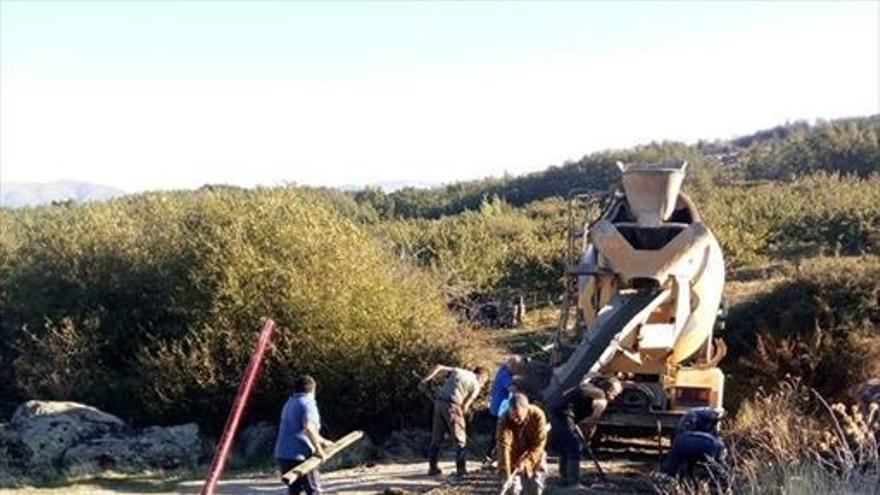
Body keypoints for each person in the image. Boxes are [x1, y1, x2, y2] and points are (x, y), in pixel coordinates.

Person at [548, 376, 622, 486]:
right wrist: (586, 439)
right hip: (563, 415)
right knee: (574, 446)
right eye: (615, 394)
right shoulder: (601, 398)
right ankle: (573, 483)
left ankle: (564, 479)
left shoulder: (588, 387)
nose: (614, 398)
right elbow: (591, 422)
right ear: (609, 390)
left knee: (566, 446)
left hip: (553, 412)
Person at [420, 364, 490, 477]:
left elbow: (438, 367)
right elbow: (465, 406)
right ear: (482, 377)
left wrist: (425, 380)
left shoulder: (458, 371)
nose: (482, 385)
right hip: (453, 405)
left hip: (439, 404)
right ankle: (461, 470)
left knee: (437, 437)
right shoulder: (476, 385)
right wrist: (463, 417)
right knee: (460, 439)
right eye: (484, 382)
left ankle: (433, 468)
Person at [274, 375, 334, 495]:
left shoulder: (290, 403)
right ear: (313, 389)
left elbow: (298, 429)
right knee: (313, 490)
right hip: (300, 456)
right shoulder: (308, 403)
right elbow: (309, 428)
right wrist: (319, 450)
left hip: (283, 454)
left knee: (294, 490)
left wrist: (323, 441)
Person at [496, 393, 550, 495]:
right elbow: (503, 446)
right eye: (513, 416)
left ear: (526, 409)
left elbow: (539, 445)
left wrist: (526, 462)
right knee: (512, 488)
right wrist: (506, 475)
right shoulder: (504, 418)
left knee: (535, 486)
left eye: (518, 417)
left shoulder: (538, 415)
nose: (515, 420)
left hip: (534, 451)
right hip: (514, 451)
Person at [661, 407, 727, 481]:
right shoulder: (712, 441)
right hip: (702, 442)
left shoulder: (680, 441)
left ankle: (669, 476)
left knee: (676, 463)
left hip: (689, 440)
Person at [486, 355, 525, 462]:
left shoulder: (503, 368)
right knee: (498, 433)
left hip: (497, 407)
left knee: (497, 433)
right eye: (518, 368)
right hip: (499, 409)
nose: (519, 371)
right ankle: (492, 456)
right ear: (513, 366)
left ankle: (492, 456)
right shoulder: (504, 375)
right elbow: (512, 388)